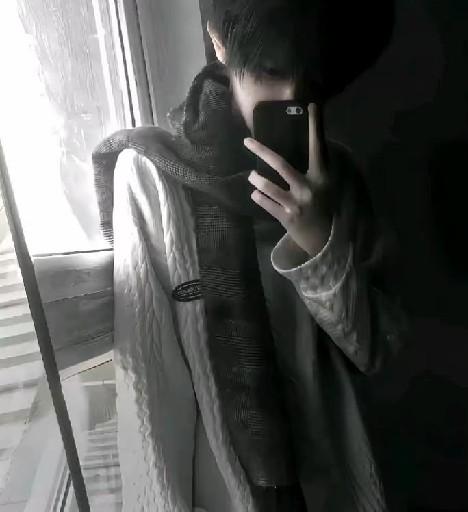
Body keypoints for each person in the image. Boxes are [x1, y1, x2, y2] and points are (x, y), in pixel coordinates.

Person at [92, 0, 409, 510]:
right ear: (219, 41)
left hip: (331, 489)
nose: (293, 97)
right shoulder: (151, 176)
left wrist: (317, 242)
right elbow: (148, 394)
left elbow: (373, 350)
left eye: (312, 80)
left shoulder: (339, 180)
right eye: (270, 71)